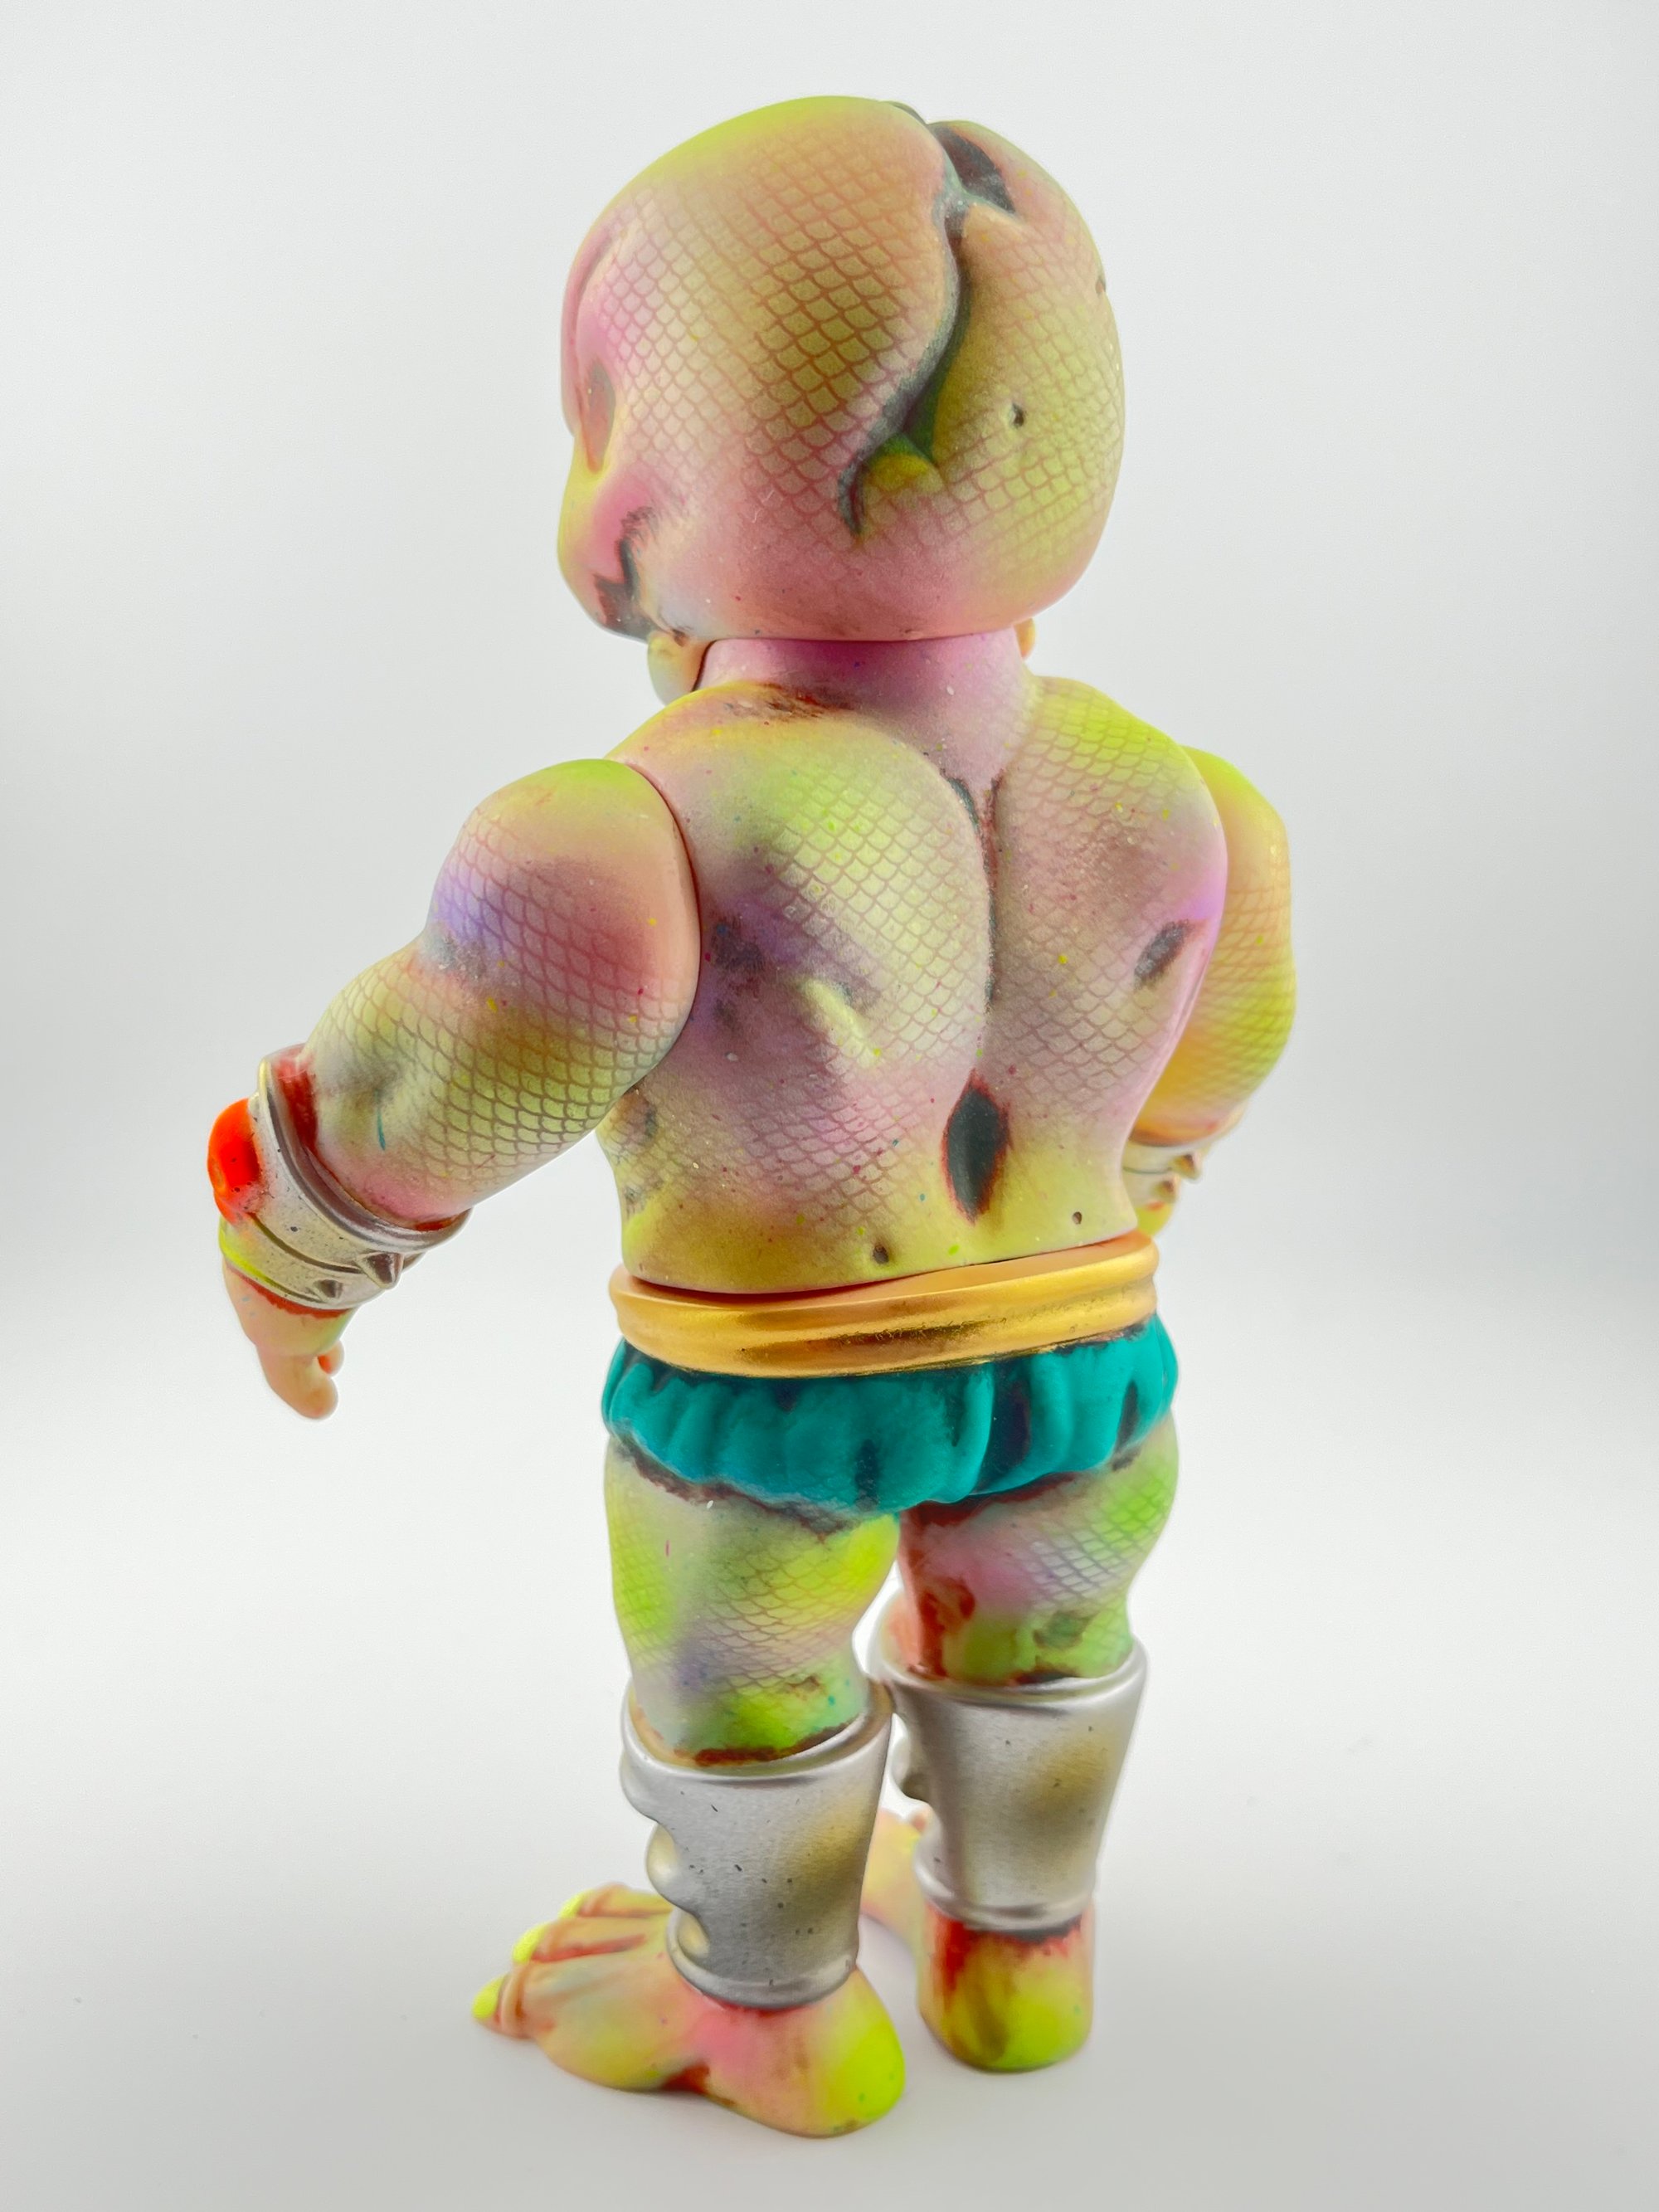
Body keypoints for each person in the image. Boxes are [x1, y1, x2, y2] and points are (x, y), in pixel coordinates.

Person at [208, 95, 1294, 2136]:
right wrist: (1115, 1190)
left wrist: (296, 1238)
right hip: (1092, 1357)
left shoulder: (640, 821)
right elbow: (1220, 1052)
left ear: (633, 482)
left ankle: (766, 2001)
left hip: (772, 1392)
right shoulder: (1180, 800)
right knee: (1054, 1618)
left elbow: (444, 1071)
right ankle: (1016, 1944)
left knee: (747, 1674)